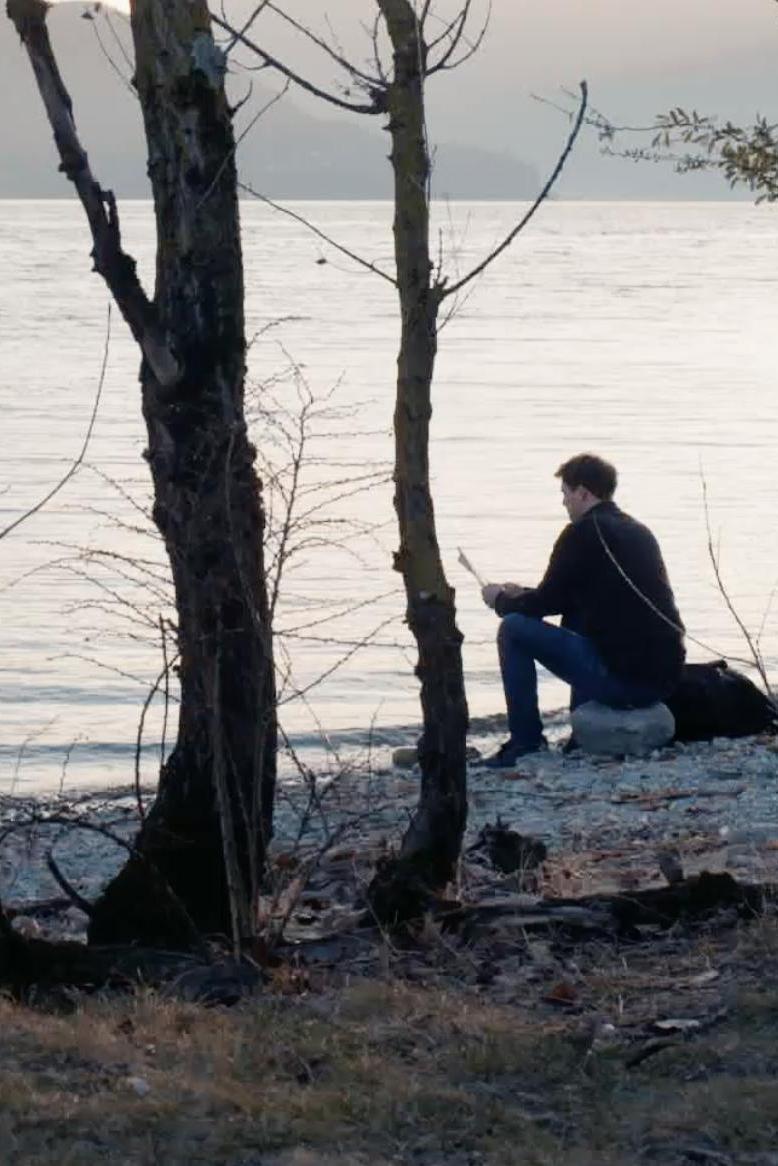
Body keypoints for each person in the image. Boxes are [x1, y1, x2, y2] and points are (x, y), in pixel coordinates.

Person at [480, 453, 685, 767]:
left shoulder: (582, 533)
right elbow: (567, 596)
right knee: (577, 612)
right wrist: (525, 594)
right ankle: (580, 731)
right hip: (663, 679)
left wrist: (501, 601)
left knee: (513, 629)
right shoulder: (638, 530)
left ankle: (525, 741)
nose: (563, 502)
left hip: (626, 683)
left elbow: (545, 604)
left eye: (565, 493)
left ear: (583, 493)